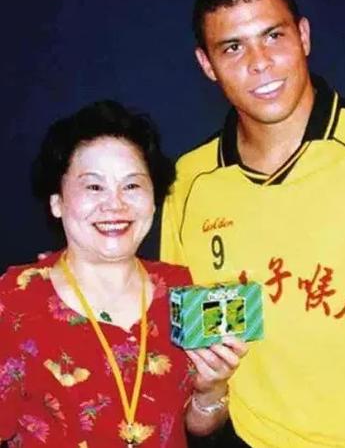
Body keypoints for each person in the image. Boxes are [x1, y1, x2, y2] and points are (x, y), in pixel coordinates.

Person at [160, 0, 345, 447]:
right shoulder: (189, 182)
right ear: (207, 64)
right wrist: (207, 393)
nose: (259, 62)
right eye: (233, 48)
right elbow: (198, 394)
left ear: (304, 36)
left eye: (273, 36)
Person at [0, 100, 247, 447]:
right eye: (94, 187)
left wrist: (211, 388)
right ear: (57, 201)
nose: (115, 205)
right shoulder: (14, 302)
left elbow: (198, 426)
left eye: (132, 186)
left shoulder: (183, 291)